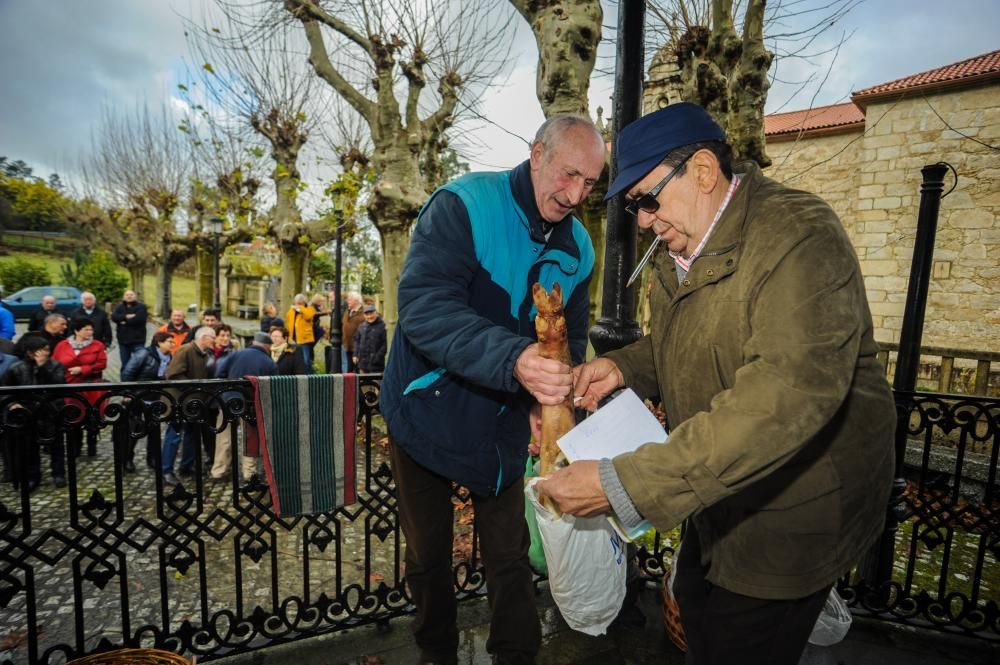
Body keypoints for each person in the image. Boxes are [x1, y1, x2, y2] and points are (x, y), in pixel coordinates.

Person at [535, 102, 896, 665]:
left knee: (737, 641)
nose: (644, 221)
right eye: (632, 207)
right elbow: (684, 338)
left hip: (794, 505)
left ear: (703, 171)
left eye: (648, 199)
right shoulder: (676, 251)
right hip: (719, 487)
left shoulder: (798, 236)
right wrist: (627, 366)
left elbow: (784, 396)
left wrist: (623, 483)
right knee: (699, 615)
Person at [380, 114, 605, 665]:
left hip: (502, 416)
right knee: (429, 557)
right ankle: (437, 655)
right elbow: (424, 309)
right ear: (536, 154)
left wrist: (541, 398)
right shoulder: (462, 204)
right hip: (424, 406)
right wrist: (515, 361)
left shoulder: (581, 249)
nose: (576, 194)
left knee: (509, 553)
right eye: (569, 174)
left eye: (591, 183)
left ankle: (517, 655)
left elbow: (568, 338)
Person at [1, 332, 66, 491]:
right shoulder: (16, 368)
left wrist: (43, 369)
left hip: (51, 411)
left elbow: (59, 386)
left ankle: (59, 474)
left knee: (57, 445)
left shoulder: (55, 366)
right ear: (30, 352)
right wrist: (13, 404)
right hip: (28, 414)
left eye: (46, 349)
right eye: (41, 349)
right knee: (30, 447)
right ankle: (33, 476)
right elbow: (6, 392)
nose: (46, 352)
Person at [213, 331, 277, 482]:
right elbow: (271, 389)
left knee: (224, 437)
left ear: (254, 342)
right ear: (267, 346)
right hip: (251, 406)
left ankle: (218, 471)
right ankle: (249, 473)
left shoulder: (236, 354)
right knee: (249, 439)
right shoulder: (269, 363)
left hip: (228, 401)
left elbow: (220, 374)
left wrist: (225, 395)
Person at [161, 326, 217, 486]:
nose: (215, 340)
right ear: (204, 338)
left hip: (194, 404)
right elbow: (173, 374)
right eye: (212, 337)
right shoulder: (185, 350)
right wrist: (194, 388)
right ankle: (166, 470)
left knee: (192, 435)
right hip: (179, 402)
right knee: (174, 436)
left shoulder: (206, 354)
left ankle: (186, 466)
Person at [52, 317, 109, 468]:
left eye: (91, 329)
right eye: (86, 329)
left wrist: (83, 369)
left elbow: (102, 363)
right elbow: (55, 363)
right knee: (73, 416)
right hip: (69, 386)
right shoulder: (62, 345)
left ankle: (92, 443)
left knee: (92, 415)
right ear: (77, 330)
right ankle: (75, 447)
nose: (90, 332)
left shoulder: (97, 345)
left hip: (90, 385)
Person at [120, 330, 176, 471]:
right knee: (135, 429)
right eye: (170, 341)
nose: (173, 344)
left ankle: (152, 458)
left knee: (154, 429)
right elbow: (128, 372)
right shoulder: (144, 354)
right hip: (138, 396)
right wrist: (127, 393)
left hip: (156, 397)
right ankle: (127, 459)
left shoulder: (170, 357)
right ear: (159, 343)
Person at [110, 290, 148, 368]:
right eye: (127, 295)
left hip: (138, 340)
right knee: (125, 364)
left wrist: (122, 321)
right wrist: (126, 317)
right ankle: (125, 379)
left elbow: (139, 319)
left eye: (131, 295)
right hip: (123, 341)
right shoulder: (119, 306)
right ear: (124, 297)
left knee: (139, 363)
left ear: (135, 296)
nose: (129, 296)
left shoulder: (141, 307)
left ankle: (137, 379)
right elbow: (113, 317)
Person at [284, 294, 315, 372]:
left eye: (300, 303)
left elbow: (308, 316)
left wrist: (301, 309)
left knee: (306, 360)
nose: (297, 305)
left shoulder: (309, 309)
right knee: (294, 359)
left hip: (304, 339)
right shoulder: (291, 311)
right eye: (296, 303)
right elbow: (287, 321)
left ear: (304, 303)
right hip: (293, 339)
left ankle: (308, 376)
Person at [352, 304, 386, 373]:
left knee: (376, 382)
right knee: (363, 382)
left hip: (377, 364)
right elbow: (357, 341)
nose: (369, 316)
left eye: (371, 313)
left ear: (376, 313)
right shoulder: (362, 326)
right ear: (364, 316)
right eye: (367, 314)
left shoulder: (382, 326)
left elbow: (385, 344)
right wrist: (355, 355)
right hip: (362, 363)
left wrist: (377, 357)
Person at [341, 293, 364, 372]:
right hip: (347, 344)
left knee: (357, 369)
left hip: (358, 346)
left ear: (357, 301)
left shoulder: (363, 313)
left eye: (350, 299)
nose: (348, 301)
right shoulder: (347, 311)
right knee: (348, 369)